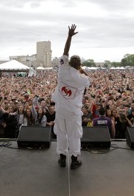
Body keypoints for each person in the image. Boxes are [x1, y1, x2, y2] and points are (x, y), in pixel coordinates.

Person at [51, 24, 90, 170]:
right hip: (74, 113)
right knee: (74, 136)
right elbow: (88, 79)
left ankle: (62, 158)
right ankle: (74, 159)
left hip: (60, 110)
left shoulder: (62, 71)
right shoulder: (82, 79)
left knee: (61, 133)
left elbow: (65, 51)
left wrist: (69, 36)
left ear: (68, 63)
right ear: (79, 65)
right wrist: (80, 69)